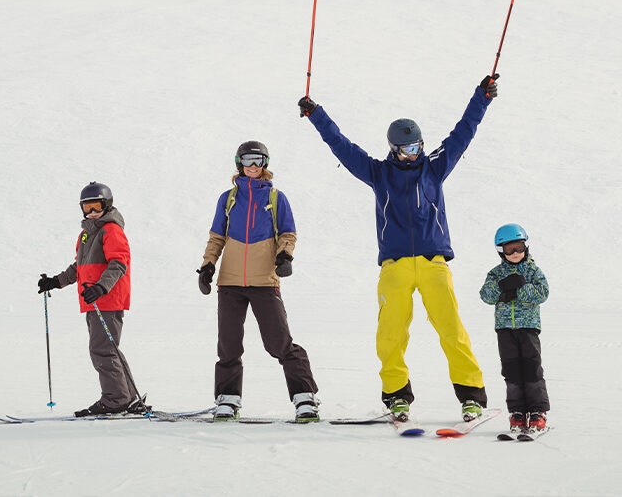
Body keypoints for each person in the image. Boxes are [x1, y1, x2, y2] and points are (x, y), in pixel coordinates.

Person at [297, 74, 500, 422]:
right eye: (407, 149)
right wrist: (317, 115)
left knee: (452, 330)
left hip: (434, 263)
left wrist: (482, 97)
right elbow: (342, 146)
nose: (414, 153)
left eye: (417, 146)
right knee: (390, 334)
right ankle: (396, 397)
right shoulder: (378, 174)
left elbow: (464, 131)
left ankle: (471, 396)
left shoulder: (435, 168)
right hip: (395, 267)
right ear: (394, 148)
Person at [198, 141, 320, 422]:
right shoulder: (227, 198)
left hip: (265, 280)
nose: (253, 166)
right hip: (230, 282)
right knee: (228, 344)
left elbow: (287, 233)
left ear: (265, 164)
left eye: (259, 161)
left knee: (279, 342)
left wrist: (285, 257)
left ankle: (305, 398)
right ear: (238, 162)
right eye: (248, 160)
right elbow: (217, 237)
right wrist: (207, 266)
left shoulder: (276, 198)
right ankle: (227, 399)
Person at [37, 182, 149, 417]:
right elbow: (79, 267)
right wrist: (56, 281)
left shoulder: (111, 230)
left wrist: (101, 288)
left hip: (107, 299)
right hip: (94, 300)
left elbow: (119, 263)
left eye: (96, 206)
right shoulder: (87, 234)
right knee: (108, 348)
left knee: (101, 349)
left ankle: (115, 399)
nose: (91, 212)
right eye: (86, 208)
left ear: (106, 205)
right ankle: (126, 397)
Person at [479, 223, 550, 435]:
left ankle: (537, 413)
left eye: (519, 247)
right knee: (511, 371)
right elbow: (485, 295)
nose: (515, 253)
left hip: (528, 328)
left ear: (525, 246)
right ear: (502, 251)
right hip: (504, 330)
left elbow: (542, 293)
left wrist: (520, 287)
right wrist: (502, 287)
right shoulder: (496, 273)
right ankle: (517, 412)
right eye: (510, 250)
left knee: (531, 369)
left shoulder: (532, 270)